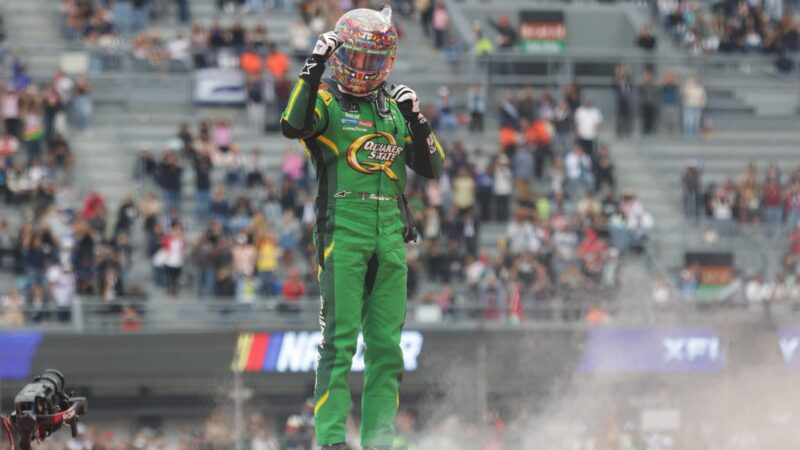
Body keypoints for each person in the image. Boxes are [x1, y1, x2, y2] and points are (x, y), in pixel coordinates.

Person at [280, 8, 445, 450]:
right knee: (337, 343)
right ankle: (332, 440)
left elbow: (434, 167)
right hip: (342, 231)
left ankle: (379, 441)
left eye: (374, 61)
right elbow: (291, 124)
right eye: (355, 57)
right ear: (339, 53)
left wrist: (418, 119)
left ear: (388, 62)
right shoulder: (327, 102)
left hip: (391, 234)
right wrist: (312, 66)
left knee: (387, 349)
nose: (362, 68)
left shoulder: (393, 108)